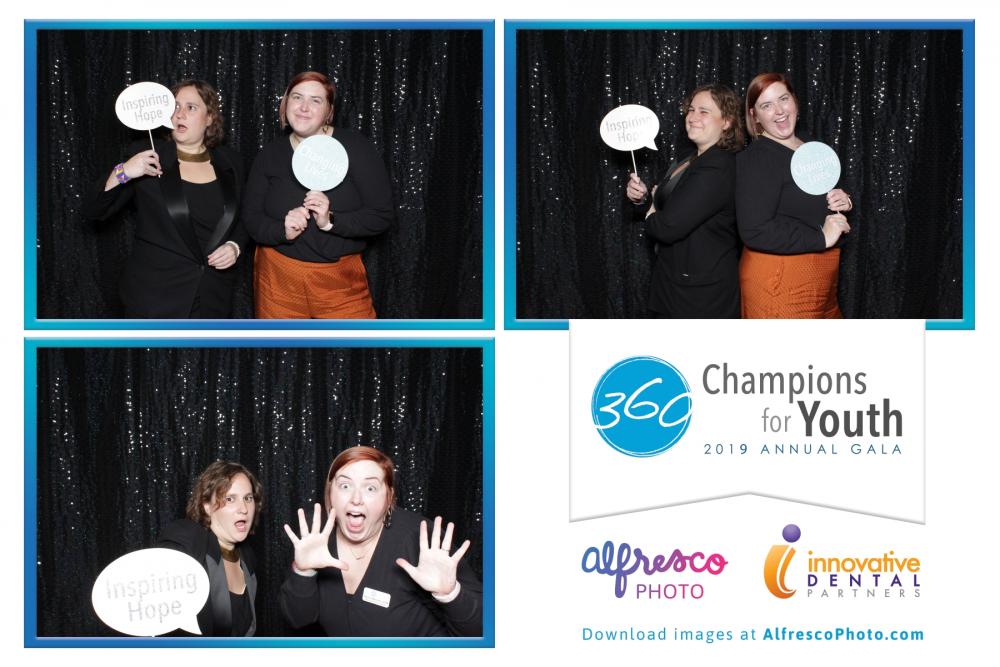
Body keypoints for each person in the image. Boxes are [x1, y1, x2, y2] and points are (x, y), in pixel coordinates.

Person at [82, 80, 247, 318]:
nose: (180, 114)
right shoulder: (146, 157)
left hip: (212, 298)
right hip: (155, 299)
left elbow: (244, 217)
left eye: (191, 107)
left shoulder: (231, 162)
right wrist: (124, 172)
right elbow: (93, 210)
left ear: (210, 118)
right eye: (175, 106)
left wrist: (235, 246)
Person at [281, 446, 482, 636]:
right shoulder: (315, 536)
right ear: (329, 492)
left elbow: (483, 630)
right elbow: (299, 620)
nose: (356, 499)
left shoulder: (420, 539)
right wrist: (304, 573)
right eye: (345, 486)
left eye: (370, 488)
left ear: (389, 497)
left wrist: (451, 595)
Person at [243, 71, 394, 319]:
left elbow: (381, 215)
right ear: (285, 104)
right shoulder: (270, 154)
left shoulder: (356, 148)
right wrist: (281, 230)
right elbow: (251, 218)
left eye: (316, 100)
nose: (304, 107)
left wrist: (330, 221)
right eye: (297, 97)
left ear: (329, 111)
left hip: (339, 283)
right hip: (278, 280)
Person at [735, 72, 854, 318]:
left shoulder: (810, 145)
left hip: (823, 278)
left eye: (783, 99)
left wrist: (843, 201)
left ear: (795, 101)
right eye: (766, 105)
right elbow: (754, 230)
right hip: (781, 281)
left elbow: (812, 201)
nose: (779, 111)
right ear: (754, 116)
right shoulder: (757, 159)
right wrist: (821, 237)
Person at [626, 83, 744, 318]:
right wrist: (643, 198)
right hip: (675, 284)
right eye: (691, 110)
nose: (692, 117)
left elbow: (667, 227)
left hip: (700, 297)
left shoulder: (717, 167)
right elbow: (669, 207)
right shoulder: (690, 160)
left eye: (704, 111)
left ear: (727, 121)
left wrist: (651, 210)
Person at [157, 461, 262, 636]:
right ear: (207, 506)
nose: (244, 509)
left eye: (248, 498)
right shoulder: (189, 541)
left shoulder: (247, 557)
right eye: (230, 499)